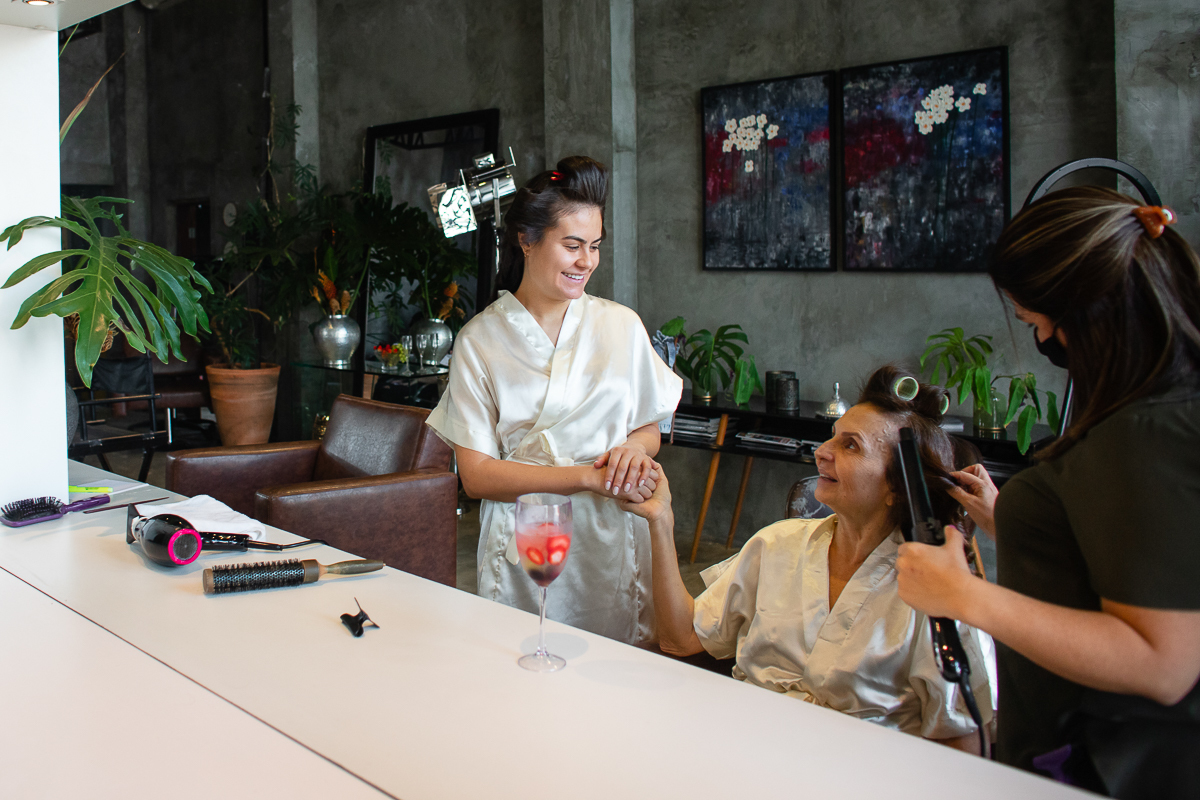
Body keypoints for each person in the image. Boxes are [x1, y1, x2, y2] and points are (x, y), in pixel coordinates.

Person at [895, 188, 1200, 797]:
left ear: (1082, 314)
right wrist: (1017, 523)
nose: (1037, 338)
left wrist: (963, 596)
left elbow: (1163, 663)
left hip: (1109, 764)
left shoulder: (1142, 433)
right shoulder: (1166, 411)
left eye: (1034, 322)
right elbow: (1150, 559)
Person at [623, 366, 995, 751]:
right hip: (742, 750)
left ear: (897, 488)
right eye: (832, 436)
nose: (821, 452)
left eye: (851, 446)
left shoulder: (937, 592)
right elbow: (681, 639)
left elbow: (962, 737)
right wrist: (661, 521)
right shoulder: (776, 545)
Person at [425, 156, 682, 644]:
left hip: (611, 536)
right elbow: (477, 477)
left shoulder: (621, 325)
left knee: (615, 669)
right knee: (524, 663)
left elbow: (648, 425)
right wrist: (587, 478)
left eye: (595, 246)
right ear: (527, 240)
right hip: (529, 535)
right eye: (572, 245)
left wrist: (634, 449)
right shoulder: (480, 341)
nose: (587, 261)